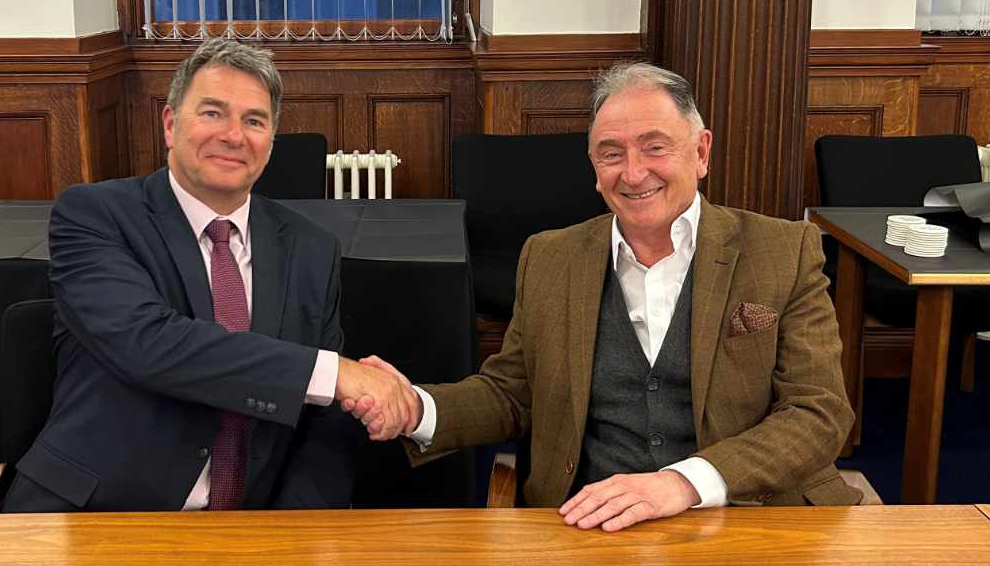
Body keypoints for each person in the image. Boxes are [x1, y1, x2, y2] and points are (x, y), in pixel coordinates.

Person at [348, 62, 862, 530]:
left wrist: (683, 483)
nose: (633, 173)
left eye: (655, 147)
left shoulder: (782, 250)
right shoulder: (550, 257)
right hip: (589, 523)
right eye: (611, 154)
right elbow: (512, 394)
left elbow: (819, 413)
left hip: (749, 516)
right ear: (594, 167)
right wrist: (417, 408)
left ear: (701, 152)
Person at [3, 37, 418, 512]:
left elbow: (319, 418)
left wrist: (301, 529)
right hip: (94, 517)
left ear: (270, 142)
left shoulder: (312, 249)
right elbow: (150, 344)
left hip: (247, 531)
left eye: (254, 121)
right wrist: (334, 372)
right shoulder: (95, 215)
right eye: (213, 113)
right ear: (170, 124)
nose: (234, 135)